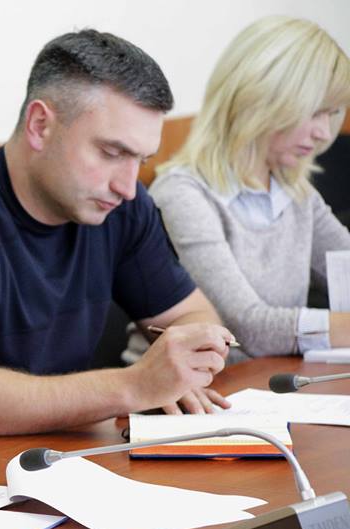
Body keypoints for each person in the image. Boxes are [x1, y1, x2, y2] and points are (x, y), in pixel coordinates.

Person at [0, 30, 235, 451]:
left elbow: (192, 315)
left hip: (57, 455)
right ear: (40, 125)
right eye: (111, 153)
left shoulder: (120, 206)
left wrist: (183, 366)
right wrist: (133, 386)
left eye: (140, 160)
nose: (127, 186)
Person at [148, 16, 350, 359]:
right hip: (194, 387)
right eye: (315, 112)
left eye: (330, 114)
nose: (323, 132)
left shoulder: (295, 193)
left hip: (270, 382)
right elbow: (248, 329)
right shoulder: (182, 193)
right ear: (261, 99)